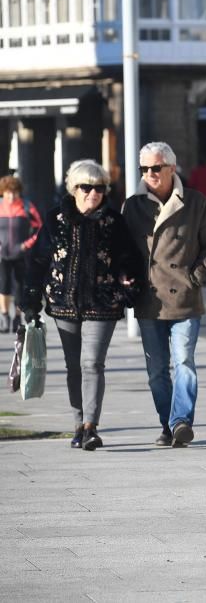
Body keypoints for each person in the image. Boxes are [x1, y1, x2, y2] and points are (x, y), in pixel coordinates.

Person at [20, 160, 140, 450]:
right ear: (73, 189)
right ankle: (77, 423)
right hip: (64, 302)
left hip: (103, 302)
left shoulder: (113, 221)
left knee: (92, 363)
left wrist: (126, 275)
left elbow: (129, 255)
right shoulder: (54, 220)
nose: (93, 194)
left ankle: (91, 427)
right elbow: (38, 260)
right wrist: (31, 299)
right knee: (74, 365)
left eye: (99, 188)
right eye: (86, 187)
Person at [123, 142, 206, 448]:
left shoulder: (194, 202)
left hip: (184, 298)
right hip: (148, 299)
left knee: (184, 362)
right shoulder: (133, 205)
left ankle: (181, 420)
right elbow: (123, 250)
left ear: (171, 168)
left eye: (156, 168)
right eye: (144, 169)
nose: (150, 174)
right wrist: (125, 276)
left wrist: (197, 277)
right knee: (156, 371)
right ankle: (167, 424)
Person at [0, 176, 42, 333]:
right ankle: (4, 317)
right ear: (3, 193)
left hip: (21, 254)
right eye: (8, 193)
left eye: (14, 193)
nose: (11, 196)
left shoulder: (26, 207)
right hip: (2, 255)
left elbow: (39, 228)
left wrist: (26, 245)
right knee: (3, 286)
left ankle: (17, 318)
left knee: (19, 287)